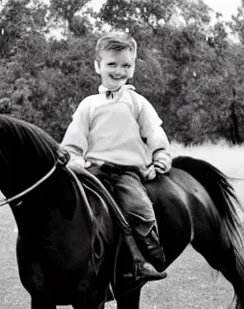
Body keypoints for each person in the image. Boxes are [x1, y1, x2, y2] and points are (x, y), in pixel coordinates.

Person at [60, 30, 171, 282]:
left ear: (132, 69)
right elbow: (75, 138)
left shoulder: (137, 102)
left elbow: (153, 132)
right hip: (93, 171)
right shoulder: (88, 104)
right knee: (76, 207)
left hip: (125, 171)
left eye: (126, 65)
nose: (119, 70)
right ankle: (75, 256)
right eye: (112, 64)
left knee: (137, 207)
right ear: (97, 66)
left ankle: (142, 254)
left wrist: (160, 154)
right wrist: (74, 158)